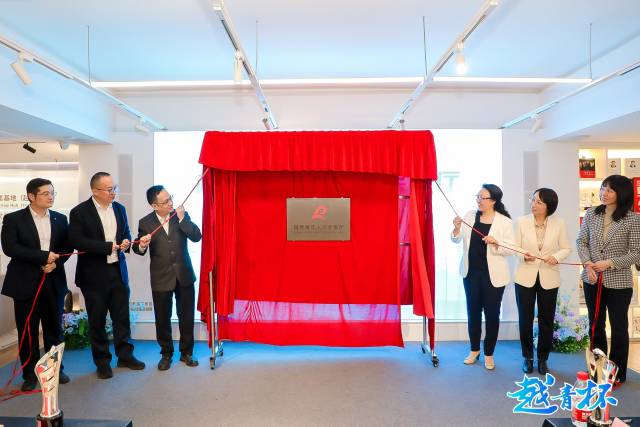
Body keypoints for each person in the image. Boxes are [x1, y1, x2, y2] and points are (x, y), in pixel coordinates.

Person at [68, 172, 145, 379]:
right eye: (110, 189)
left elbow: (126, 232)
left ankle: (125, 356)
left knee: (122, 317)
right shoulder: (79, 212)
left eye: (115, 188)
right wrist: (106, 247)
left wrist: (126, 242)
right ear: (95, 191)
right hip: (93, 276)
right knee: (97, 320)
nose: (113, 193)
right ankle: (102, 362)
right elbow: (76, 240)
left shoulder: (119, 208)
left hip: (117, 271)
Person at [1, 178, 71, 391]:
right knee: (28, 331)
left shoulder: (60, 218)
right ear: (31, 196)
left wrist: (55, 263)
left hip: (53, 281)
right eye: (45, 193)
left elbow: (66, 247)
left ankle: (54, 370)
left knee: (54, 330)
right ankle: (29, 374)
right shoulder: (14, 219)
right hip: (25, 283)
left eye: (52, 193)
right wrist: (43, 257)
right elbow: (10, 247)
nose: (50, 197)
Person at [577, 174, 640, 386]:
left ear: (621, 193)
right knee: (595, 325)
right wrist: (587, 263)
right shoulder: (591, 213)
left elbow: (636, 253)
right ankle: (597, 369)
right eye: (603, 188)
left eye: (610, 190)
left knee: (619, 327)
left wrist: (609, 263)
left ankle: (617, 373)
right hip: (592, 278)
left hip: (619, 282)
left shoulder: (633, 219)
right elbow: (581, 241)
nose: (604, 193)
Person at [133, 185, 202, 370]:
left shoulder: (180, 215)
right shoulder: (145, 222)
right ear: (155, 205)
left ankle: (186, 353)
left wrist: (183, 219)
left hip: (184, 275)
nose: (171, 202)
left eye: (170, 197)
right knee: (162, 318)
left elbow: (197, 236)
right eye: (166, 201)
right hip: (161, 277)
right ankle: (166, 354)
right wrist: (142, 244)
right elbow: (137, 248)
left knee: (186, 316)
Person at [452, 184, 514, 370]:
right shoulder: (470, 215)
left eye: (483, 197)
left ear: (493, 201)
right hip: (471, 273)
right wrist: (456, 229)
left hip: (493, 276)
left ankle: (489, 354)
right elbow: (456, 239)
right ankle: (474, 350)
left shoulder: (504, 222)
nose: (478, 200)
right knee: (473, 313)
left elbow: (510, 249)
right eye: (477, 196)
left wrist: (496, 243)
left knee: (492, 315)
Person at [514, 188, 571, 375]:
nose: (534, 204)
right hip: (524, 276)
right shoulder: (521, 222)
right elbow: (514, 247)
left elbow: (566, 248)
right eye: (532, 200)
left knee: (546, 320)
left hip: (549, 276)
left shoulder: (559, 223)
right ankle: (527, 357)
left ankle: (543, 359)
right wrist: (524, 255)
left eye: (539, 202)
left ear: (549, 205)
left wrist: (556, 257)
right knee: (525, 319)